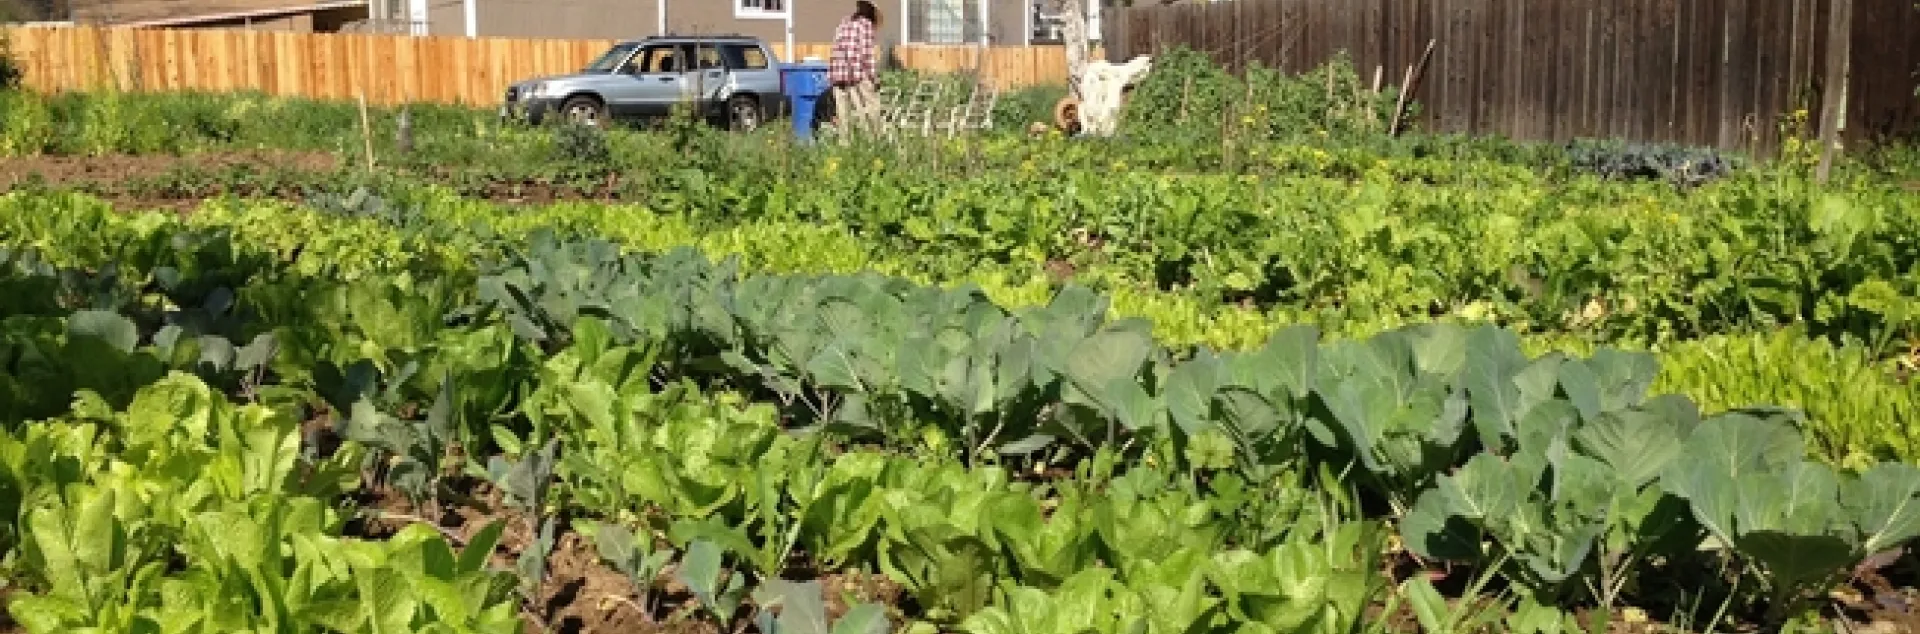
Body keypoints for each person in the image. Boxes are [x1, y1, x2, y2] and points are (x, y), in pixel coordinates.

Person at [828, 1, 883, 138]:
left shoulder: (843, 24)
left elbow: (835, 48)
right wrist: (874, 78)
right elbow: (867, 56)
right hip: (857, 75)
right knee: (871, 110)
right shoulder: (866, 25)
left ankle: (845, 147)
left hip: (838, 75)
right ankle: (872, 143)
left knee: (843, 115)